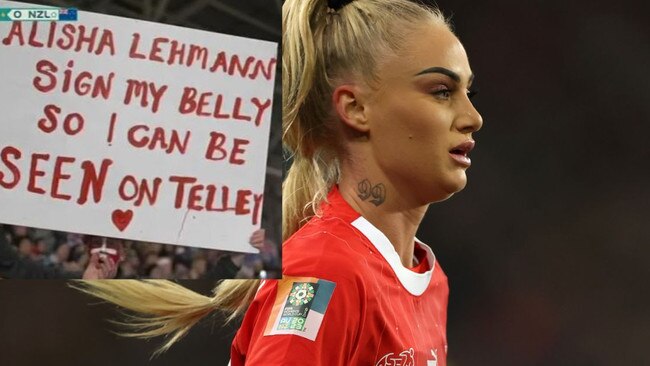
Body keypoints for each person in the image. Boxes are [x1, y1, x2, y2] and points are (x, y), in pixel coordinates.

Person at [74, 0, 482, 364]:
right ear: (356, 108)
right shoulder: (323, 272)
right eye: (442, 91)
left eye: (469, 92)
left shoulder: (428, 279)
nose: (472, 117)